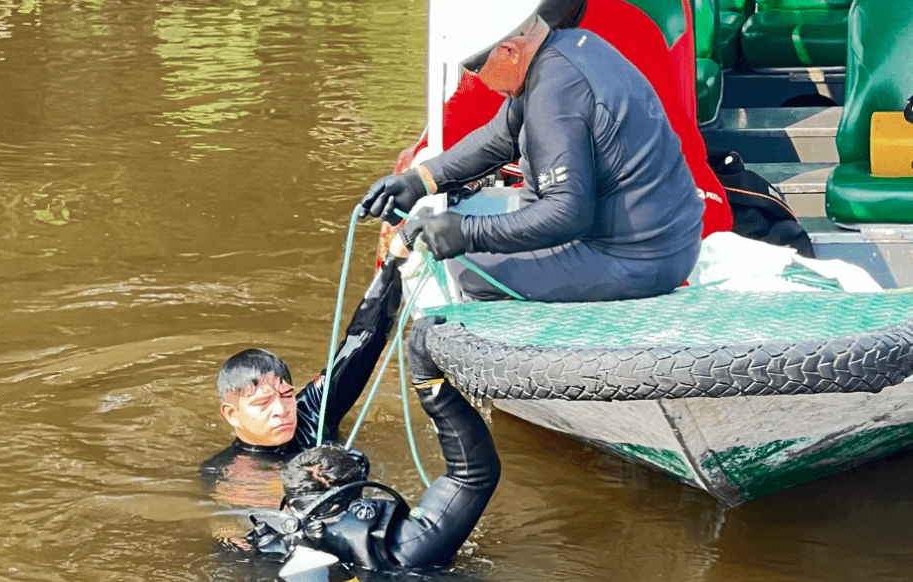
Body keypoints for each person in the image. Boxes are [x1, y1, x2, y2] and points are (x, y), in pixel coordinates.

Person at [361, 4, 705, 303]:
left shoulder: (554, 94)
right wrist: (420, 180)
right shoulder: (566, 47)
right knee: (473, 215)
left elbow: (567, 214)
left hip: (639, 258)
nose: (475, 79)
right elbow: (499, 137)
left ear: (510, 50)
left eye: (474, 67)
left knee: (469, 268)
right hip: (654, 234)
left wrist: (466, 233)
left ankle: (510, 364)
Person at [246, 316, 501, 576]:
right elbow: (474, 475)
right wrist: (428, 381)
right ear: (357, 491)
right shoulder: (405, 547)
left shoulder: (272, 549)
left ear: (290, 504)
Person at [199, 253, 403, 504]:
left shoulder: (312, 413)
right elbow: (232, 534)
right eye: (263, 403)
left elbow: (363, 341)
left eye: (286, 395)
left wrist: (393, 264)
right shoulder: (223, 473)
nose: (281, 410)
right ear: (231, 414)